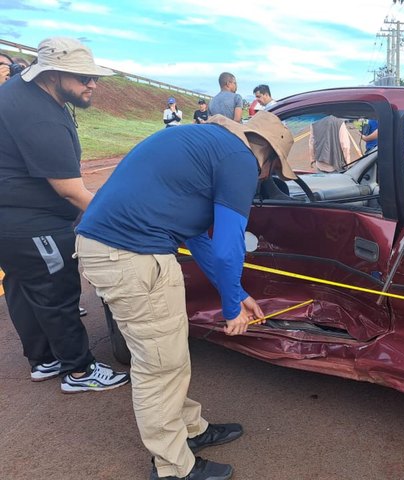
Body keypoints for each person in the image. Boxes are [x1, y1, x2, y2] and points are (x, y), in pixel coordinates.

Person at [75, 111, 295, 480]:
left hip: (118, 249)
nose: (265, 180)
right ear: (267, 158)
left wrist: (235, 293)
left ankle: (191, 431)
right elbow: (229, 248)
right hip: (133, 255)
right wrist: (230, 311)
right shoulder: (241, 161)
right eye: (272, 173)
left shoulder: (209, 146)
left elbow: (197, 238)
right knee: (159, 367)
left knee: (169, 355)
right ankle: (173, 468)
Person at [0, 37, 128, 392]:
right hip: (31, 221)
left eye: (95, 78)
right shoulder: (39, 115)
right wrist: (118, 225)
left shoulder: (21, 94)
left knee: (25, 286)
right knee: (57, 290)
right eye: (83, 77)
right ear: (52, 74)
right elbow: (70, 189)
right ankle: (79, 371)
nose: (92, 84)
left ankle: (43, 360)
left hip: (12, 220)